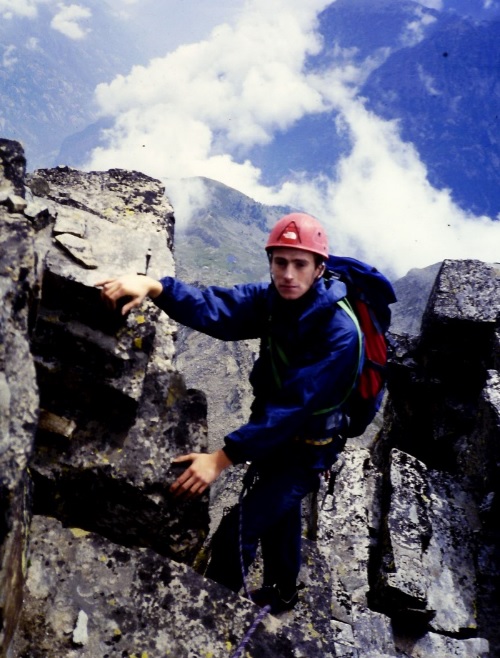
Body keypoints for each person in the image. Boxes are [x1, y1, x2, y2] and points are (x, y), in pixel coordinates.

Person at [97, 212, 361, 614]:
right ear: (270, 262)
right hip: (279, 440)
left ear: (320, 269)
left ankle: (216, 620)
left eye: (300, 263)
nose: (288, 274)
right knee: (281, 511)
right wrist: (155, 287)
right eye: (280, 262)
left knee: (238, 530)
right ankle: (284, 593)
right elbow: (216, 309)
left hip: (306, 450)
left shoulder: (338, 335)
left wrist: (220, 460)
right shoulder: (275, 301)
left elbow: (291, 408)